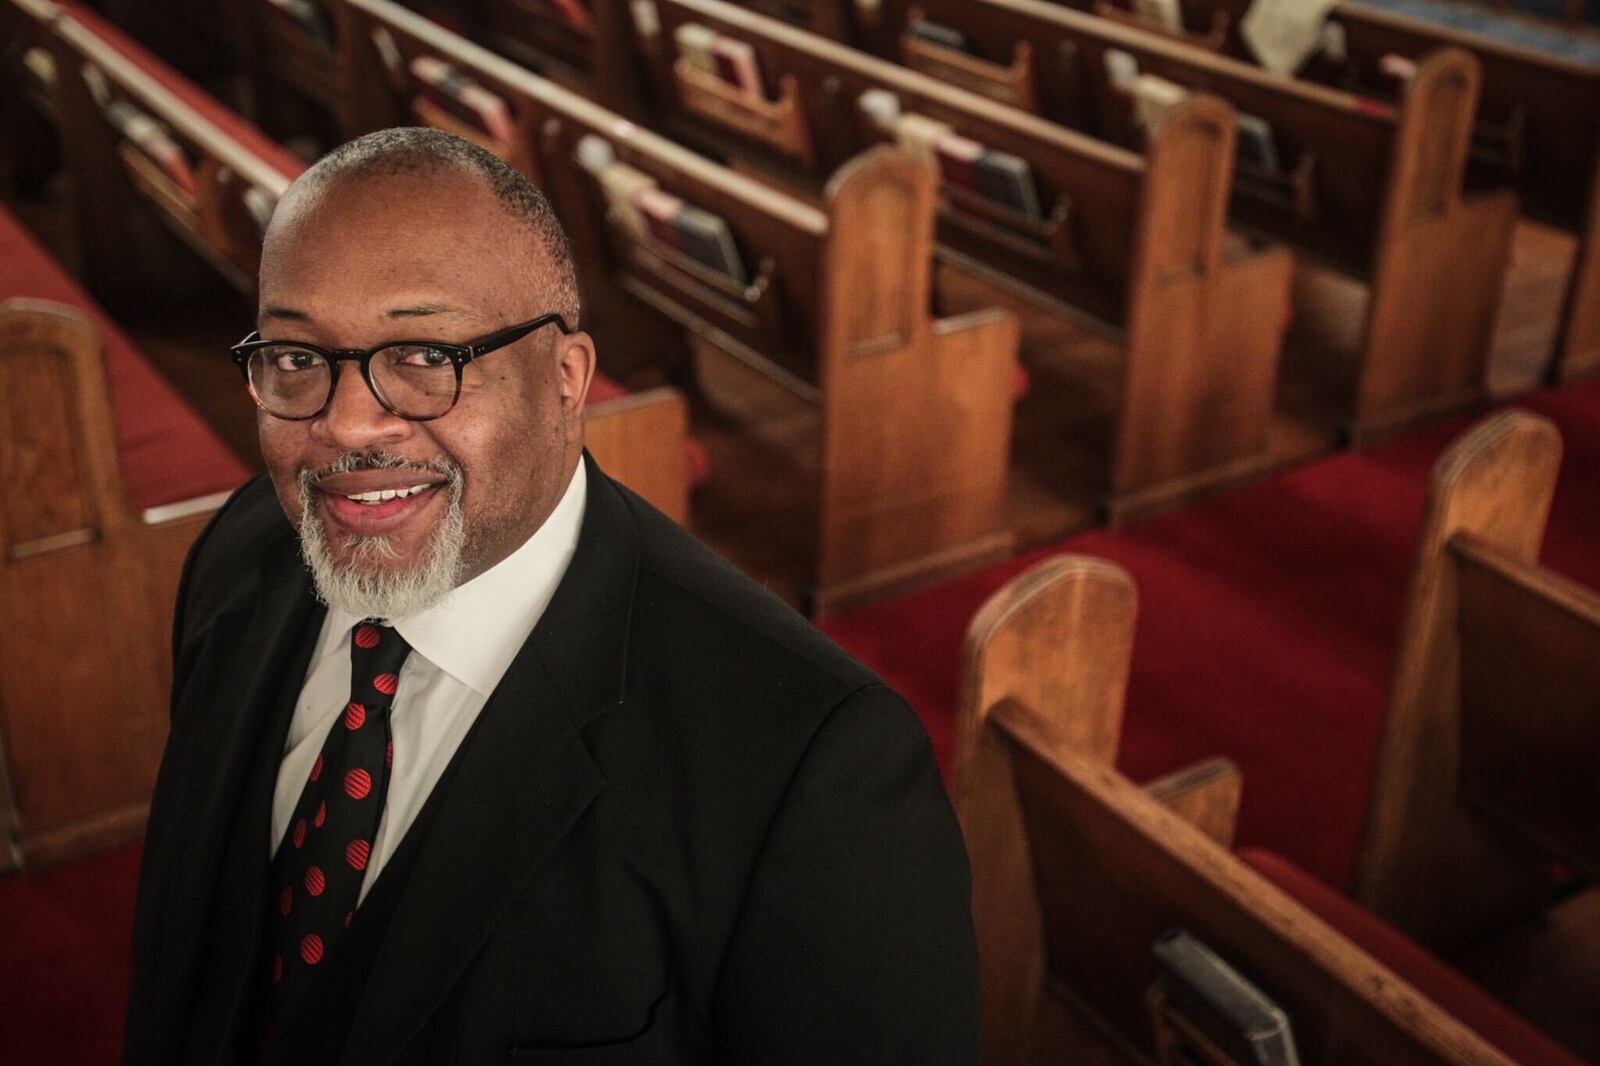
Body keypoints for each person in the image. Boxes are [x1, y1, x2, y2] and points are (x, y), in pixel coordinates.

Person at [121, 127, 979, 1065]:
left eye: (424, 356)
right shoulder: (245, 552)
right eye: (295, 357)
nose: (347, 423)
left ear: (566, 378)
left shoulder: (814, 767)